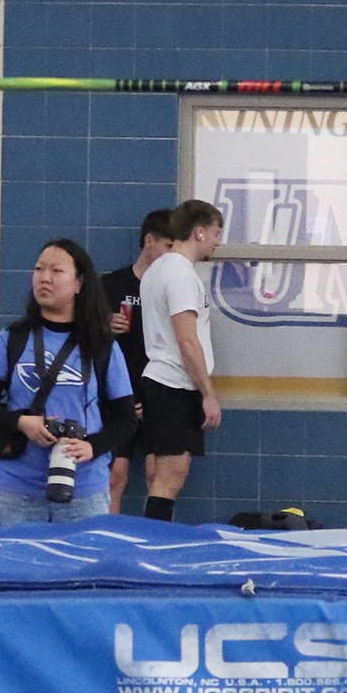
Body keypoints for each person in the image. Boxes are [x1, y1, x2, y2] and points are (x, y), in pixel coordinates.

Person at [0, 239, 136, 524]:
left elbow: (126, 418)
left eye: (57, 271)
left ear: (78, 284)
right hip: (17, 492)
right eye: (38, 269)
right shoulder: (13, 338)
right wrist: (22, 422)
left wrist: (92, 446)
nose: (44, 278)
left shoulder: (101, 345)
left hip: (84, 492)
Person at [137, 199, 226, 522]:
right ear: (199, 232)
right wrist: (208, 394)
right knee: (171, 475)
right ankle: (156, 544)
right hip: (174, 383)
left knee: (158, 472)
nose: (218, 241)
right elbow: (187, 340)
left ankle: (154, 536)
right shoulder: (181, 275)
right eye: (217, 233)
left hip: (159, 380)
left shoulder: (156, 270)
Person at [101, 209, 178, 513]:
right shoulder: (112, 285)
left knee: (157, 476)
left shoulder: (174, 286)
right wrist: (104, 325)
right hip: (120, 389)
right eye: (169, 246)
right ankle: (109, 541)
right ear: (150, 241)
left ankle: (152, 543)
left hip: (158, 389)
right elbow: (83, 337)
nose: (174, 255)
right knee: (114, 477)